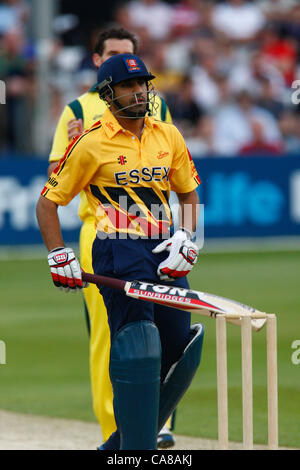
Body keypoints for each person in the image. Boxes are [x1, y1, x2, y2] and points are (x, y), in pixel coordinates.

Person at [36, 53, 204, 450]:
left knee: (181, 349)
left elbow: (189, 192)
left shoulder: (169, 135)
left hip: (164, 246)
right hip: (118, 248)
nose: (139, 92)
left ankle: (120, 446)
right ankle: (136, 451)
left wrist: (187, 236)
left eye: (142, 84)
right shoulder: (90, 141)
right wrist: (58, 253)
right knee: (139, 346)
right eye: (128, 86)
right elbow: (48, 202)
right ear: (108, 95)